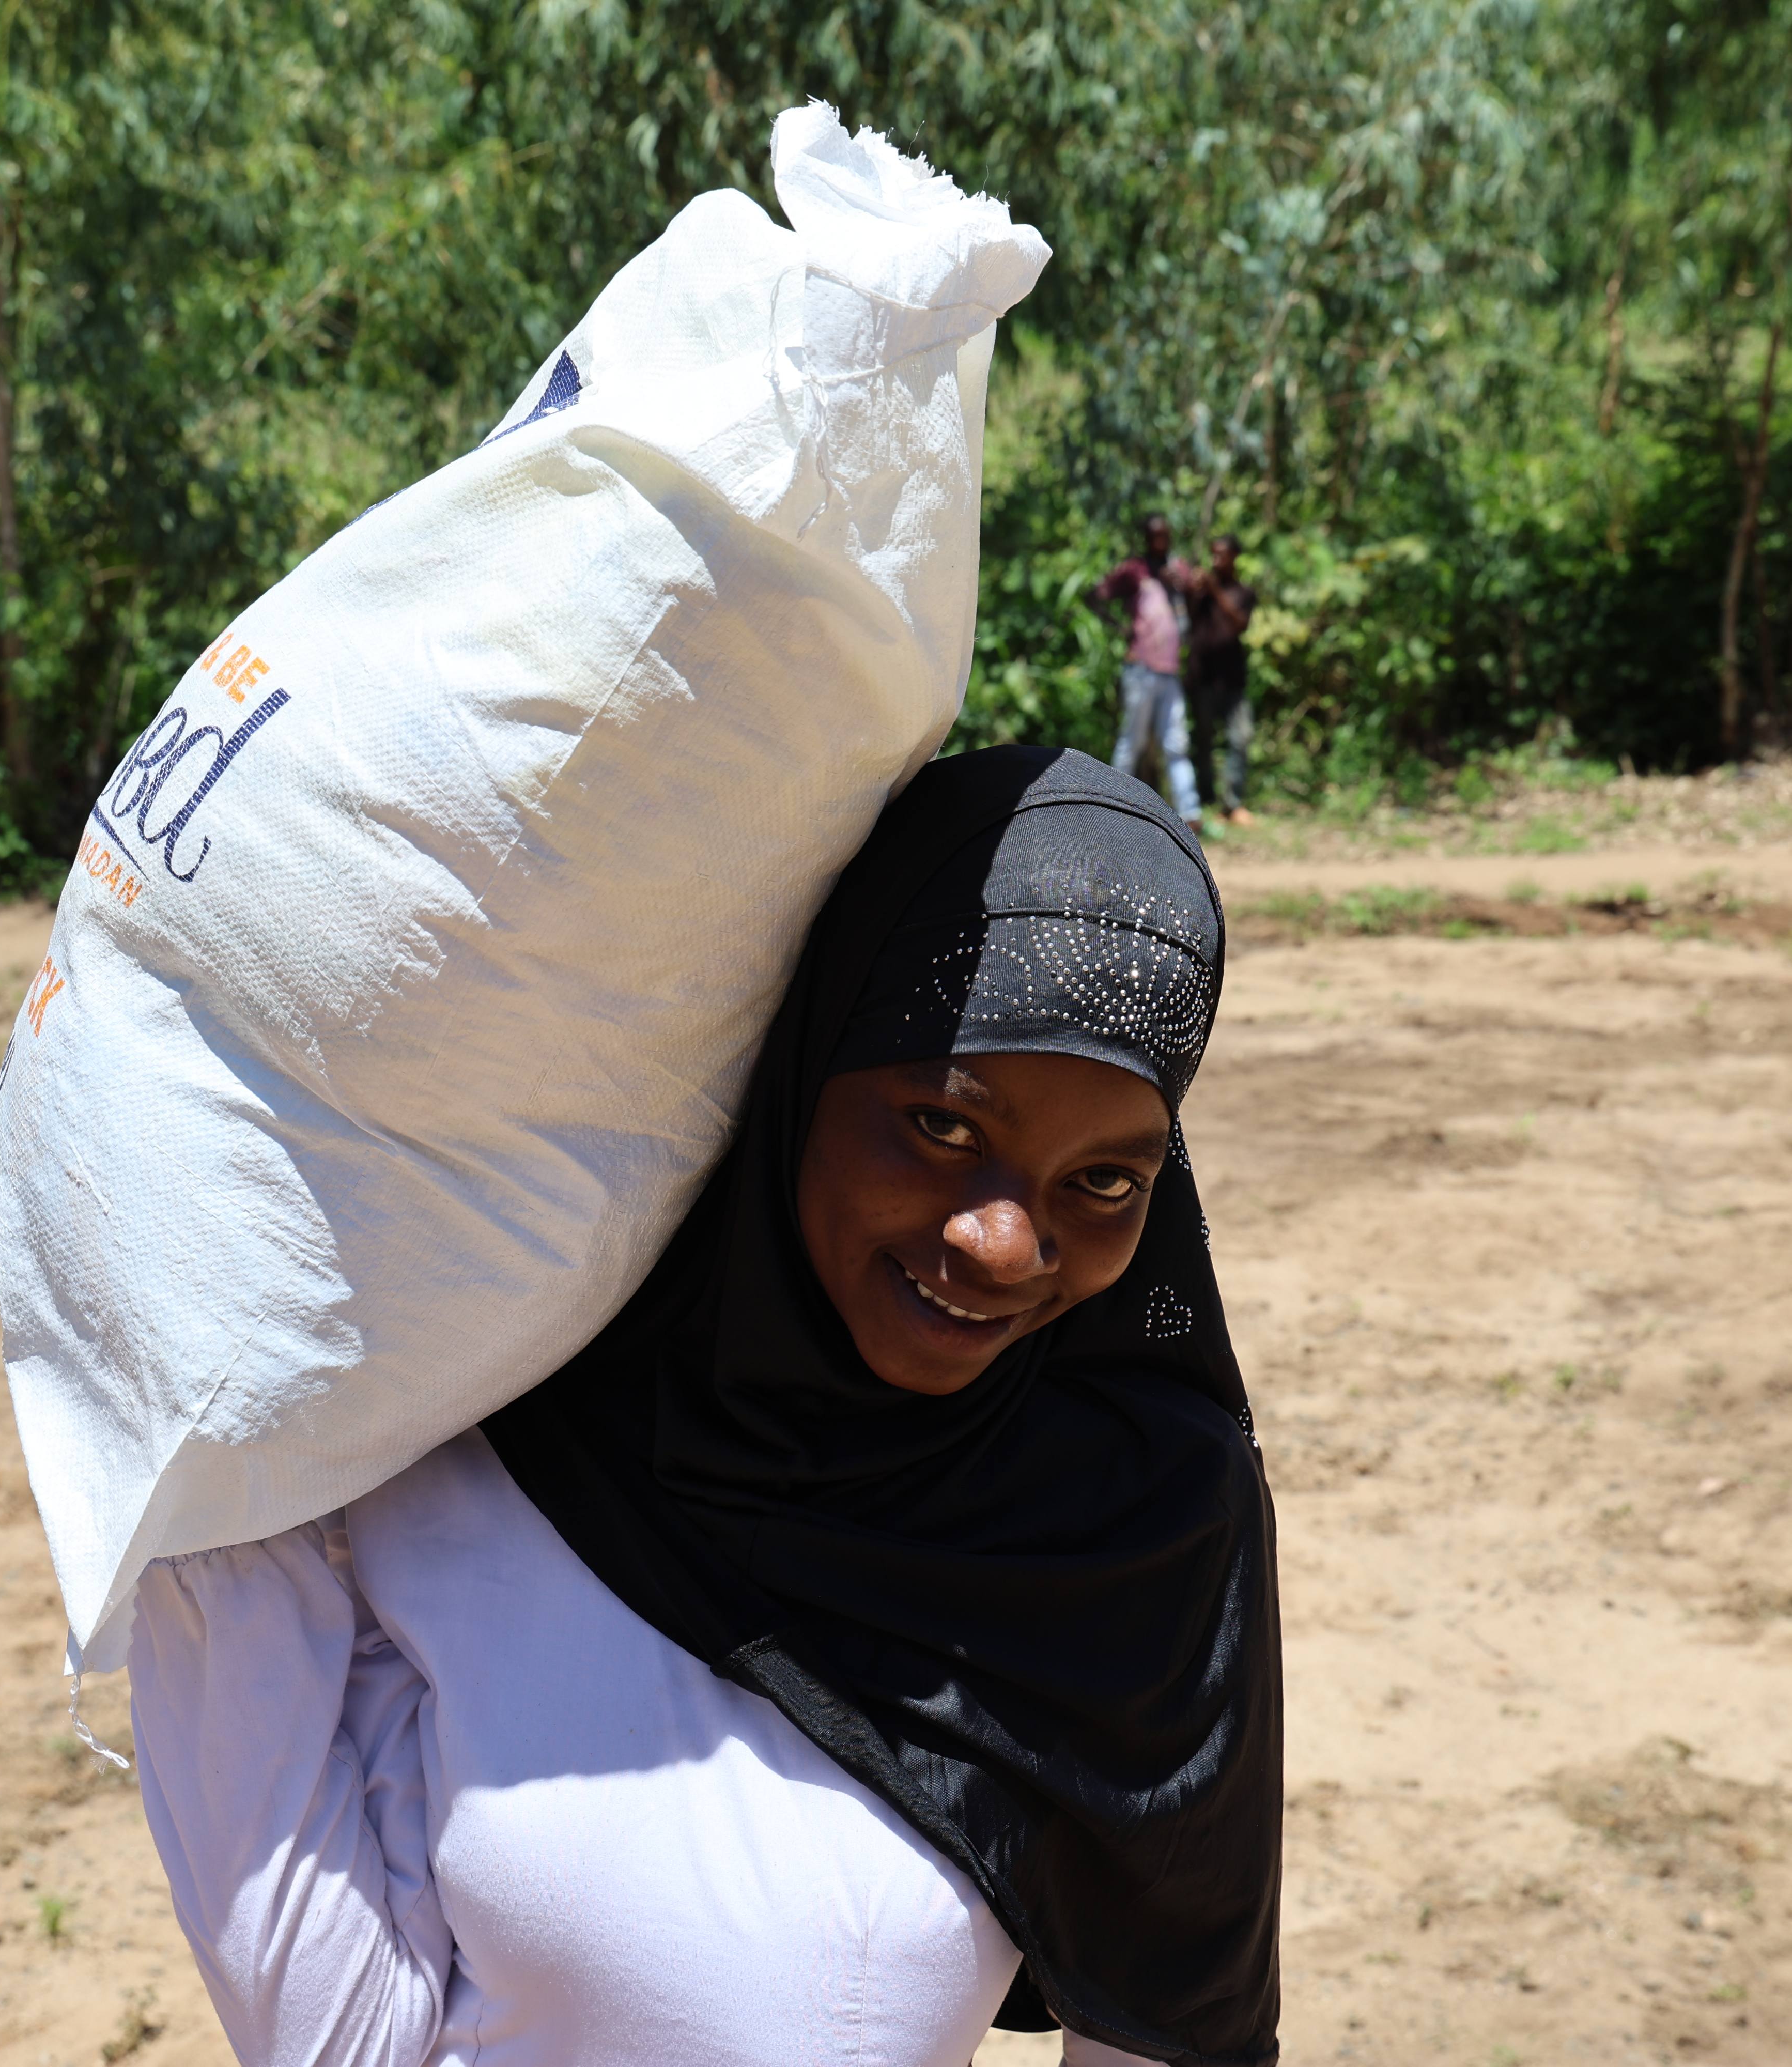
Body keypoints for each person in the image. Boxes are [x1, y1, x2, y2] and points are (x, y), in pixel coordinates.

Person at [128, 746, 1284, 2067]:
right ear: (807, 1063)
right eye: (942, 1125)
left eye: (1107, 1182)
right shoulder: (494, 1428)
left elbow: (1179, 2027)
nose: (1006, 1245)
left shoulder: (1137, 1530)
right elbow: (338, 2029)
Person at [1087, 517, 1204, 836]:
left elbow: (1196, 607)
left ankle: (1191, 812)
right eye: (1155, 536)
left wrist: (1184, 587)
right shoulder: (1135, 571)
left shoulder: (1178, 570)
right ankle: (1112, 808)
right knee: (1132, 741)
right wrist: (1122, 628)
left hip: (1170, 672)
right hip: (1141, 669)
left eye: (1165, 536)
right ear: (1147, 538)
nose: (1161, 542)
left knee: (1177, 743)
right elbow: (1094, 596)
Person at [1182, 536, 1257, 822]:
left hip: (1233, 680)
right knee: (1203, 740)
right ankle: (1206, 798)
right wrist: (1193, 591)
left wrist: (1214, 591)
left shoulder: (1243, 592)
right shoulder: (1201, 593)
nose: (1216, 561)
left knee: (1241, 737)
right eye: (1213, 555)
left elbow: (1240, 624)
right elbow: (1187, 621)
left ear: (1235, 557)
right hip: (1203, 678)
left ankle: (1232, 801)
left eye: (1221, 555)